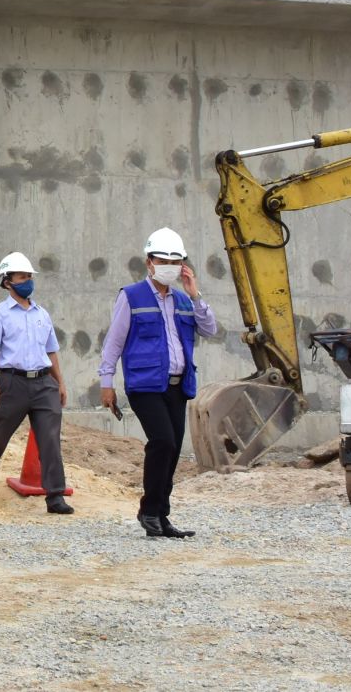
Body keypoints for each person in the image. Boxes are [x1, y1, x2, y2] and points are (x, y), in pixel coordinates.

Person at [99, 226, 219, 540]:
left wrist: (195, 294)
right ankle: (149, 510)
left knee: (174, 448)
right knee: (163, 441)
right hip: (145, 384)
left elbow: (210, 329)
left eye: (175, 261)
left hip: (178, 386)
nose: (169, 266)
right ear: (149, 262)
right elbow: (114, 342)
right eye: (163, 260)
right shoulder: (131, 296)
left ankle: (161, 515)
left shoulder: (183, 300)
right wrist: (106, 382)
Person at [0, 251, 72, 514]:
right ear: (7, 281)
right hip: (12, 383)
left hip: (44, 383)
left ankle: (55, 496)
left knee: (50, 440)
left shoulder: (42, 314)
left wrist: (60, 383)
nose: (27, 281)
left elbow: (51, 351)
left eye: (29, 277)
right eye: (22, 277)